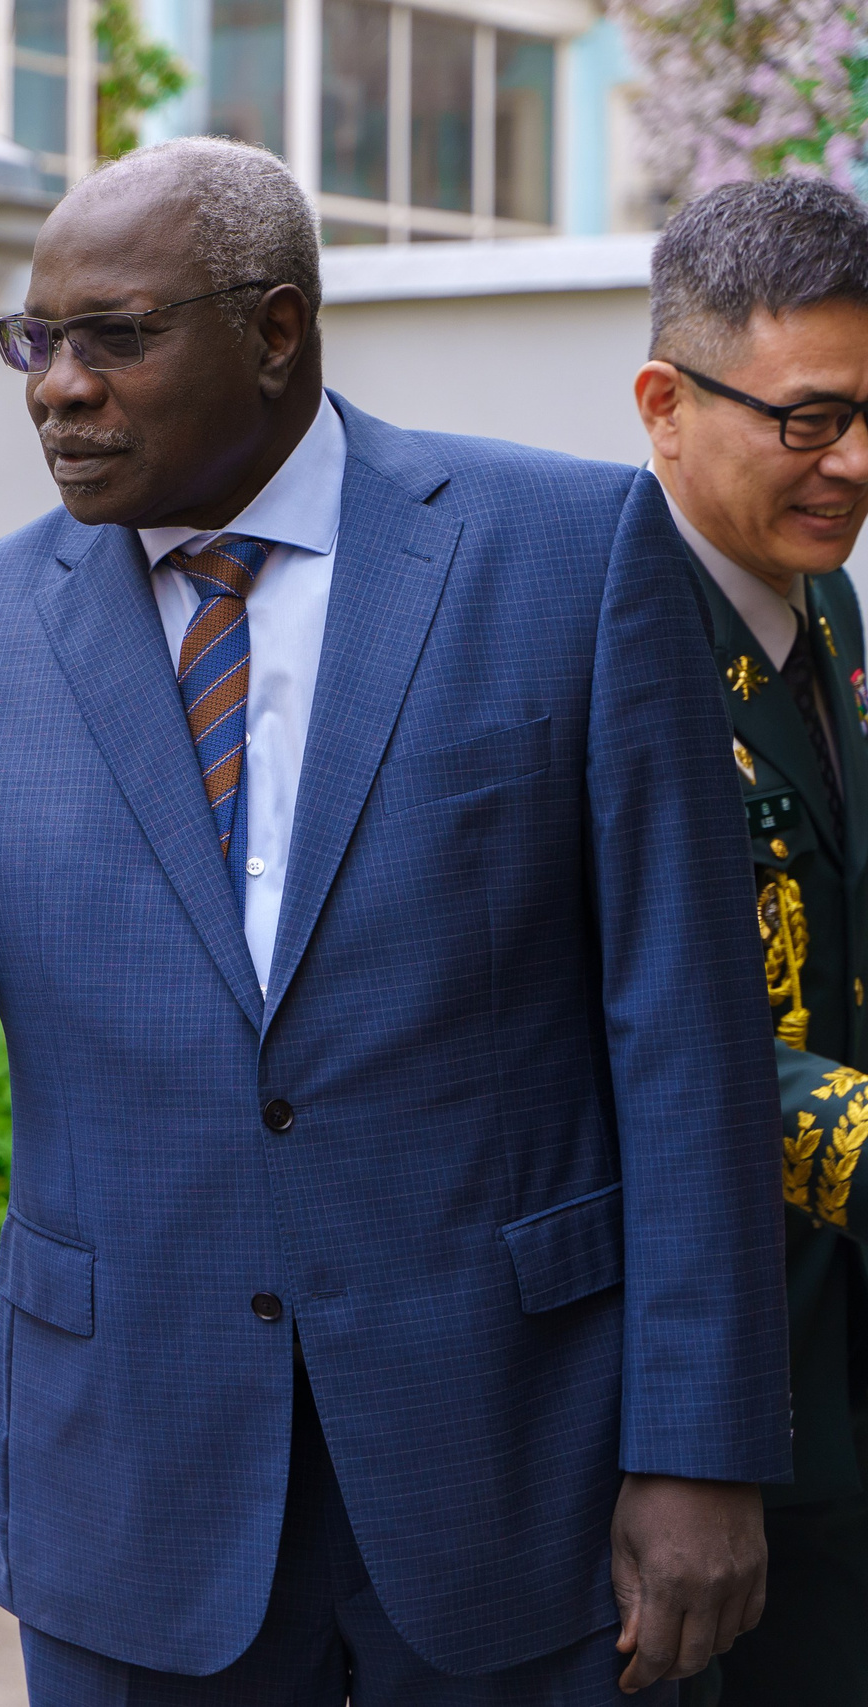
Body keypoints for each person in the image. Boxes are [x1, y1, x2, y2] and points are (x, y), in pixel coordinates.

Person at [0, 138, 790, 1703]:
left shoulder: (569, 552)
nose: (57, 386)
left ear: (276, 330)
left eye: (114, 336)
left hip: (515, 1461)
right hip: (134, 1482)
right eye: (35, 340)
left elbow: (686, 1027)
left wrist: (701, 1445)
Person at [632, 177, 868, 1706]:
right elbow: (627, 1011)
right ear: (666, 404)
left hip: (831, 1354)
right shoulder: (591, 630)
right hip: (692, 1384)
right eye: (810, 418)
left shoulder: (823, 598)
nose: (854, 462)